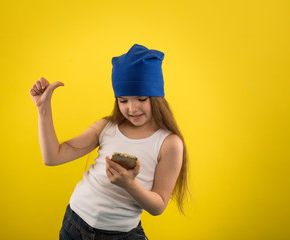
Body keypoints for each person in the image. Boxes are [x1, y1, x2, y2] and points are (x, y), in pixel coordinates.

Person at [29, 44, 189, 240]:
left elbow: (158, 206)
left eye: (141, 98)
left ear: (157, 98)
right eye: (123, 100)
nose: (132, 108)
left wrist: (129, 184)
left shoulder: (169, 143)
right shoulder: (107, 126)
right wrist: (43, 108)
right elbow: (52, 157)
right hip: (74, 224)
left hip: (120, 235)